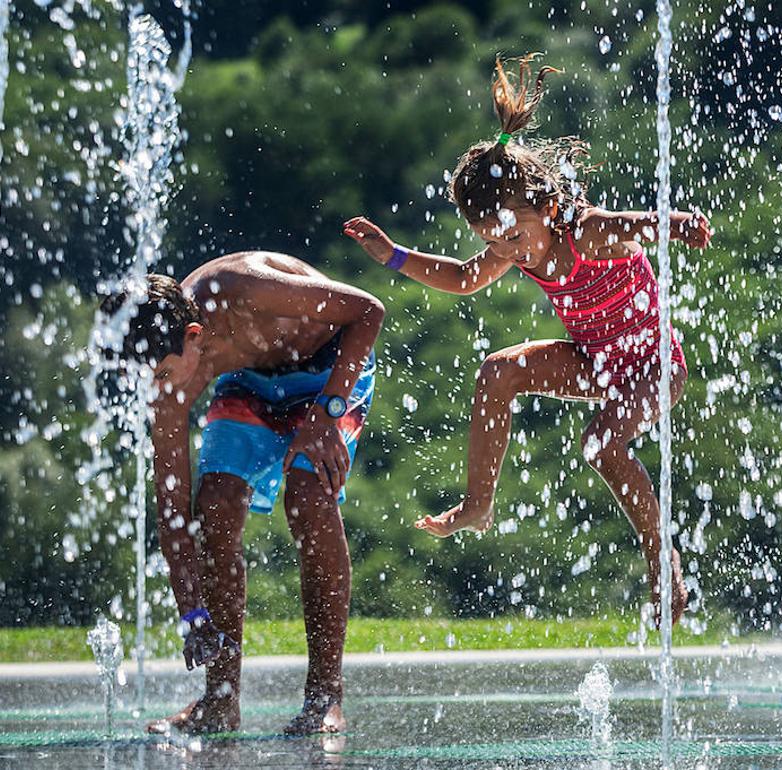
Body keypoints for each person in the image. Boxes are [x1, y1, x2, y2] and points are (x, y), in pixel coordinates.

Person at [343, 54, 710, 626]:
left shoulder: (583, 230)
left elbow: (630, 225)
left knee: (599, 446)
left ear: (544, 204)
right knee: (497, 371)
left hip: (655, 366)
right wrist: (393, 255)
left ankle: (662, 561)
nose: (510, 253)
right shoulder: (512, 246)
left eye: (514, 236)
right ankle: (478, 505)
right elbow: (463, 278)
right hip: (595, 362)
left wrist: (677, 224)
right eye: (496, 242)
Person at [100, 253, 385, 735]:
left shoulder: (241, 288)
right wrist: (191, 611)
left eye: (163, 377)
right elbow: (172, 511)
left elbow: (368, 312)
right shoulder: (166, 381)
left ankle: (324, 699)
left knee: (306, 496)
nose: (157, 395)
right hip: (250, 381)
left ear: (193, 337)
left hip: (329, 372)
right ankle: (220, 700)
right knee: (213, 508)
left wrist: (327, 414)